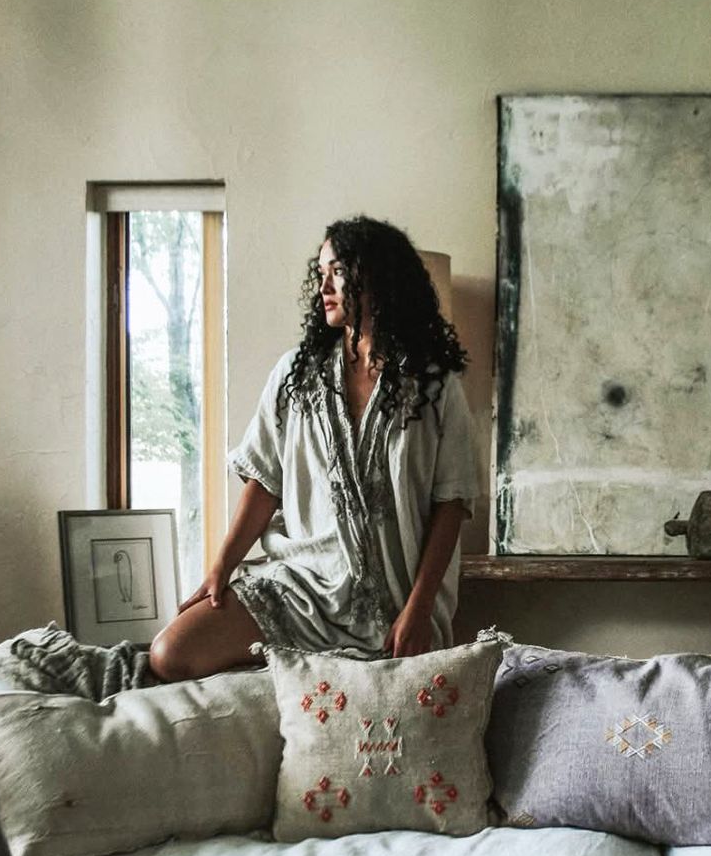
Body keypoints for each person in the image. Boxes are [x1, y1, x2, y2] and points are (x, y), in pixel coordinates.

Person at [147, 216, 476, 682]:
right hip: (301, 586)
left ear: (377, 278)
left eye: (337, 271)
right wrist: (221, 567)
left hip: (394, 600)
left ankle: (316, 675)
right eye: (320, 272)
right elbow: (264, 483)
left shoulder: (435, 386)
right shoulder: (295, 376)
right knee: (170, 652)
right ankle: (294, 675)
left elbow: (451, 504)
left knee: (383, 683)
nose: (323, 286)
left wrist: (419, 611)